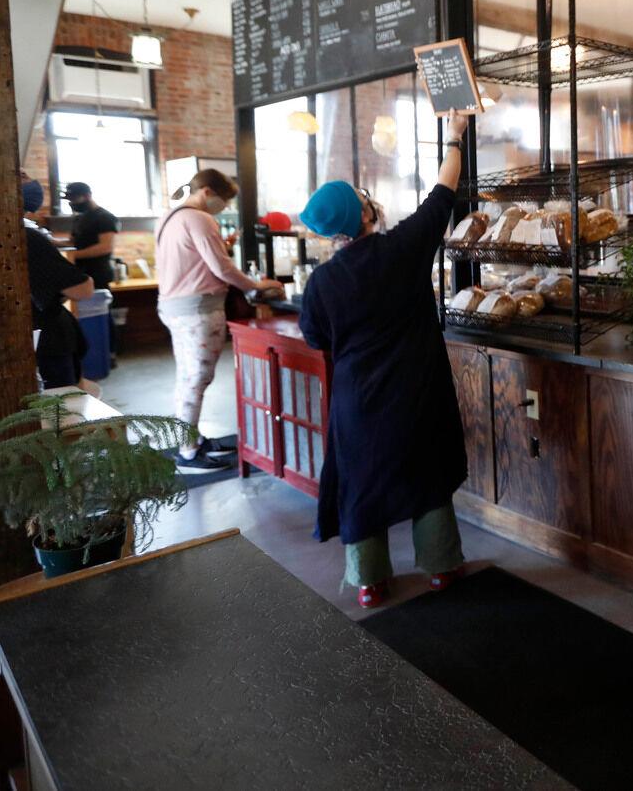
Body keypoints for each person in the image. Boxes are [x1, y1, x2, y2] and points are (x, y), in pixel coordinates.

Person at [297, 110, 472, 609]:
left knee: (361, 484)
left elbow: (315, 338)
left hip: (359, 398)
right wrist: (455, 136)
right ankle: (441, 568)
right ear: (366, 214)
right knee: (428, 472)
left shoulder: (323, 283)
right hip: (416, 388)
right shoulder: (403, 249)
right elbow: (443, 194)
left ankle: (370, 583)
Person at [156, 168, 280, 472]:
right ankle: (188, 452)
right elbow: (221, 268)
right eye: (223, 201)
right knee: (196, 379)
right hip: (197, 310)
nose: (224, 208)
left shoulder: (170, 216)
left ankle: (190, 441)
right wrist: (256, 286)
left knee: (187, 378)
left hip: (173, 307)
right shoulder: (199, 218)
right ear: (207, 192)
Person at [22, 176, 94, 388]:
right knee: (62, 411)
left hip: (39, 337)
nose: (30, 181)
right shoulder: (26, 238)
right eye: (22, 175)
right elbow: (82, 289)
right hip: (47, 339)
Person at [60, 182, 119, 289]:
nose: (71, 203)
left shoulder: (105, 217)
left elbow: (105, 247)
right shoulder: (79, 218)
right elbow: (72, 241)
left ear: (87, 196)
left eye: (74, 199)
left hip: (98, 274)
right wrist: (49, 241)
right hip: (81, 272)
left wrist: (72, 255)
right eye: (70, 200)